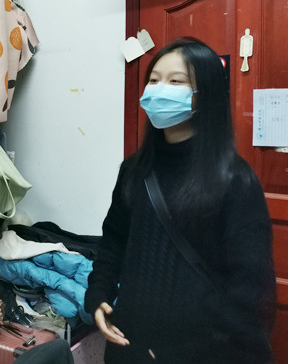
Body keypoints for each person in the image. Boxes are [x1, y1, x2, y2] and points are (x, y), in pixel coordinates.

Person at [85, 37, 276, 363]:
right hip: (129, 344)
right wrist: (98, 293)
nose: (159, 90)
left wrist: (189, 349)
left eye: (176, 82)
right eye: (154, 80)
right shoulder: (134, 169)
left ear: (206, 95)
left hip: (202, 355)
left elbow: (251, 289)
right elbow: (113, 242)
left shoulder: (235, 179)